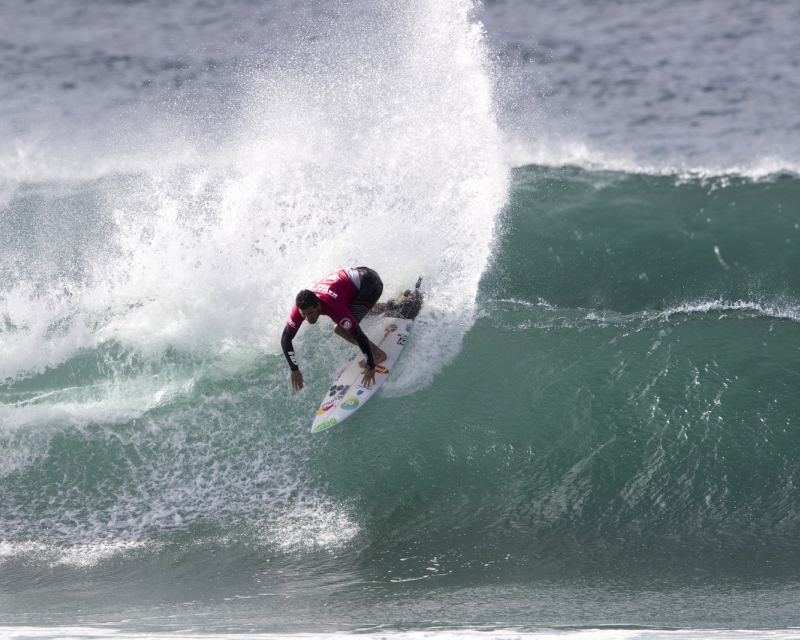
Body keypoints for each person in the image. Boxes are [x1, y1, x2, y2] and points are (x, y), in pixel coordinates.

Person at [281, 267, 394, 390]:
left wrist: (370, 366)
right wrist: (294, 369)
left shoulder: (333, 306)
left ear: (318, 305)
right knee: (352, 315)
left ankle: (377, 354)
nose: (308, 318)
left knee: (340, 328)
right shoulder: (301, 307)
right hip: (359, 277)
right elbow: (285, 338)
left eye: (311, 313)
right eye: (304, 314)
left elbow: (360, 337)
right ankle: (393, 305)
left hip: (371, 284)